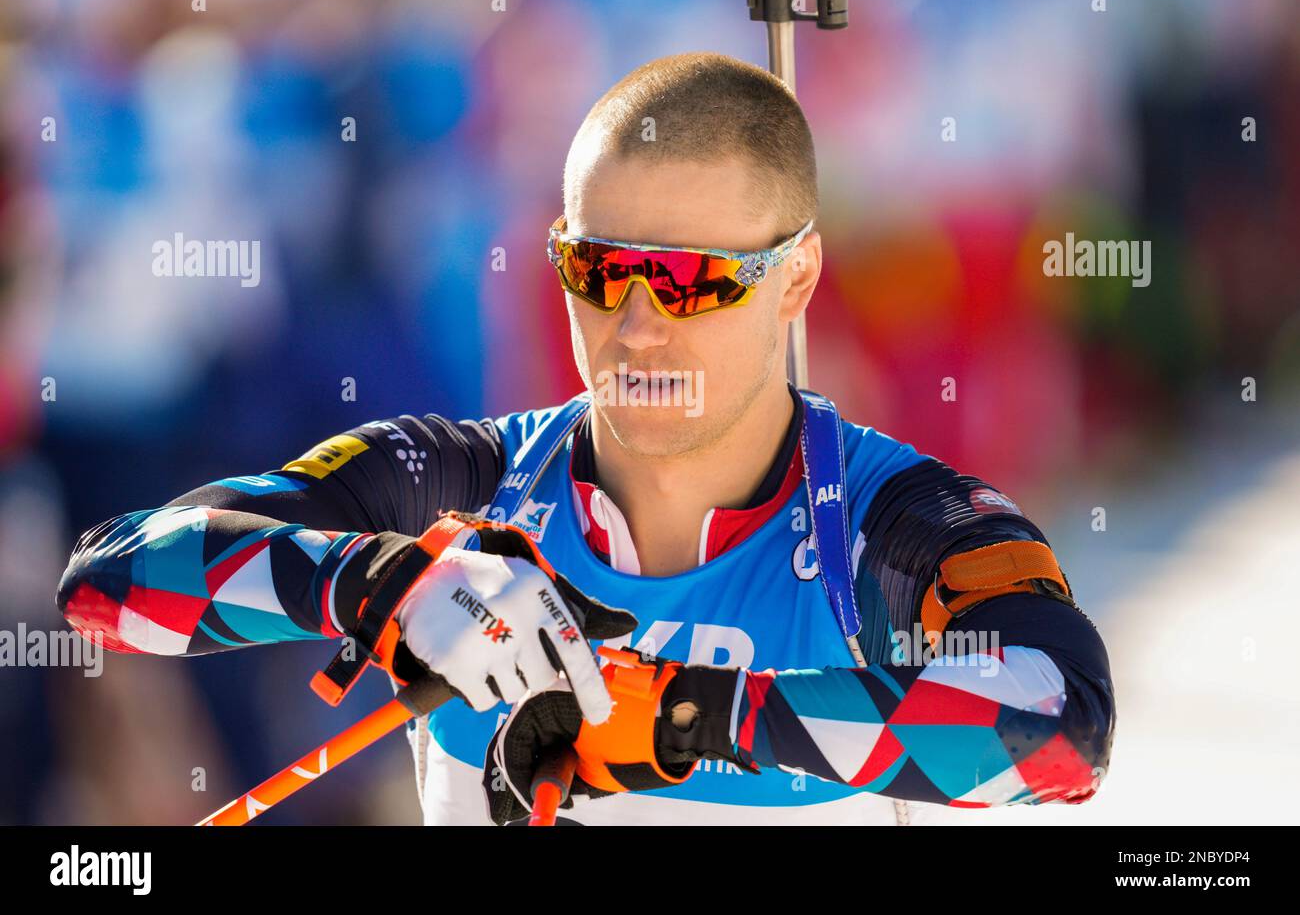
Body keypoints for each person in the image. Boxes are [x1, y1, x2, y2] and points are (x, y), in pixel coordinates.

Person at [56, 52, 1113, 826]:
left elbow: (1060, 726)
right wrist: (377, 588)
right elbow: (107, 583)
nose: (637, 323)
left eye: (694, 279)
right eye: (599, 268)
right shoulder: (458, 478)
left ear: (794, 277)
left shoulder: (895, 519)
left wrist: (682, 715)